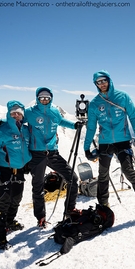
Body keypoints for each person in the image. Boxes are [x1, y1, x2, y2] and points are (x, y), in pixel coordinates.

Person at [83, 70, 135, 223]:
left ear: (109, 80)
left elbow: (133, 116)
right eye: (98, 82)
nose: (102, 84)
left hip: (123, 141)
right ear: (96, 84)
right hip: (105, 143)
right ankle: (103, 205)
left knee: (129, 172)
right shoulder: (95, 103)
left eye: (104, 81)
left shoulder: (123, 97)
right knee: (103, 174)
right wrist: (86, 147)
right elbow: (90, 126)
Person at [25, 87, 83, 228]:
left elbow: (61, 121)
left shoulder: (54, 111)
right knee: (38, 186)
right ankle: (41, 217)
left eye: (47, 97)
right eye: (41, 97)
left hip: (52, 153)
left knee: (73, 179)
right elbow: (16, 118)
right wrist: (2, 122)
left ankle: (70, 209)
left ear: (51, 98)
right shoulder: (30, 112)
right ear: (37, 98)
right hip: (37, 154)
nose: (44, 99)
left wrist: (75, 125)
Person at [0, 100, 32, 250]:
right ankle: (0, 237)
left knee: (16, 198)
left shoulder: (25, 130)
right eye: (13, 113)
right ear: (9, 114)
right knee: (4, 203)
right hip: (3, 171)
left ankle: (9, 222)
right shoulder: (1, 131)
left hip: (18, 170)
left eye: (19, 113)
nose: (16, 115)